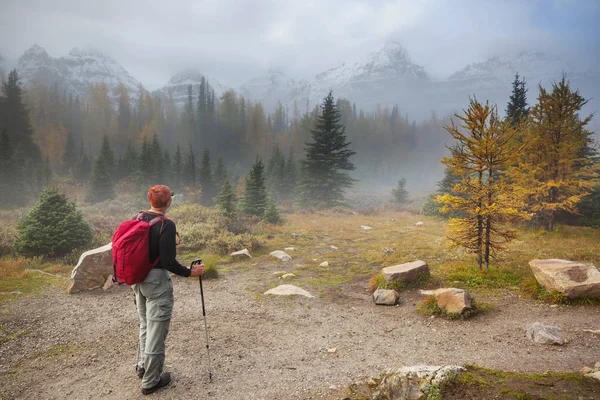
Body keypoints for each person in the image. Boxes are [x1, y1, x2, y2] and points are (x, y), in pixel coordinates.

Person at [133, 185, 204, 395]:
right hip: (156, 282)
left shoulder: (138, 217)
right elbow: (168, 261)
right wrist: (191, 272)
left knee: (146, 325)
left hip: (138, 279)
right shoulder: (166, 225)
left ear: (150, 200)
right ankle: (150, 382)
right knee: (156, 331)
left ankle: (143, 366)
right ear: (169, 202)